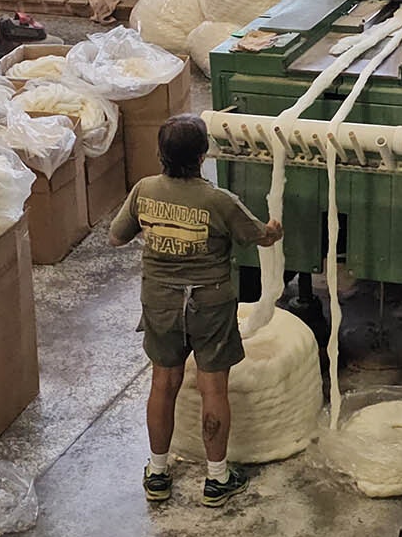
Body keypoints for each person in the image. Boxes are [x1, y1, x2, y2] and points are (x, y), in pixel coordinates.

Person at [109, 113, 282, 507]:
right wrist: (274, 229)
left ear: (160, 153)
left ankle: (157, 474)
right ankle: (217, 479)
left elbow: (116, 238)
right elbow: (261, 237)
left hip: (160, 301)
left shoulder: (144, 190)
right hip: (210, 303)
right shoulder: (219, 201)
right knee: (212, 388)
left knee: (163, 384)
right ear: (204, 155)